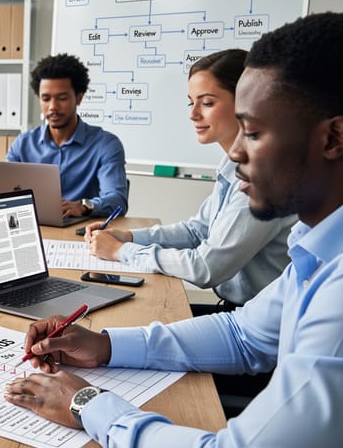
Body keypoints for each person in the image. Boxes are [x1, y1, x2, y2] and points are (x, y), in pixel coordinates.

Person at [4, 12, 343, 448]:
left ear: (334, 137)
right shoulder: (316, 245)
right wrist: (103, 345)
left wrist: (88, 404)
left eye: (255, 133)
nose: (237, 153)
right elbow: (244, 334)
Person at [85, 49, 295, 309]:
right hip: (238, 314)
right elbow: (197, 230)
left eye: (206, 103)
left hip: (260, 326)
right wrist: (128, 237)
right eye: (191, 102)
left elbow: (206, 268)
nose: (193, 114)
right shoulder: (233, 163)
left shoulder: (263, 178)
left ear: (247, 103)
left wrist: (119, 252)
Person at [7, 53, 127, 218]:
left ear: (79, 97)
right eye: (46, 99)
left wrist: (84, 206)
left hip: (83, 233)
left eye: (62, 98)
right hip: (36, 230)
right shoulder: (23, 144)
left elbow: (118, 200)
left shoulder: (106, 145)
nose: (53, 107)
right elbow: (2, 193)